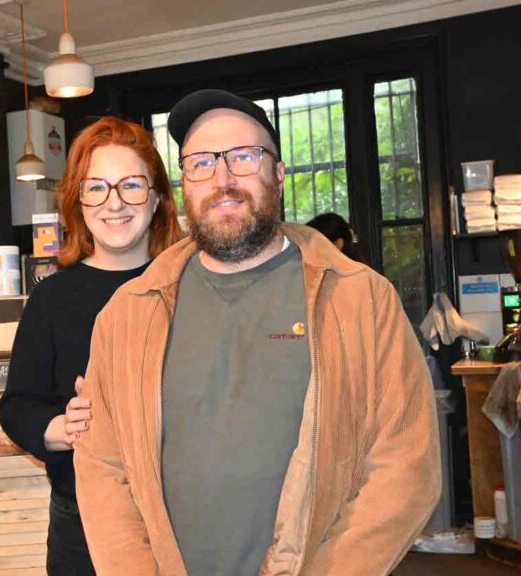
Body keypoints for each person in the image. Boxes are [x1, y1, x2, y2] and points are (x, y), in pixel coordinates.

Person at [74, 89, 440, 576]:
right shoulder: (127, 314)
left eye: (245, 157)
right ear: (185, 182)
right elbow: (104, 468)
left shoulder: (360, 298)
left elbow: (405, 466)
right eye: (202, 163)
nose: (222, 179)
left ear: (280, 173)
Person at [0, 116, 183, 575]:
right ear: (78, 203)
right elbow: (17, 405)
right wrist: (58, 428)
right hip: (83, 526)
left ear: (157, 197)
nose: (113, 203)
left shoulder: (191, 286)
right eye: (96, 187)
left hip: (184, 518)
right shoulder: (52, 299)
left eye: (131, 186)